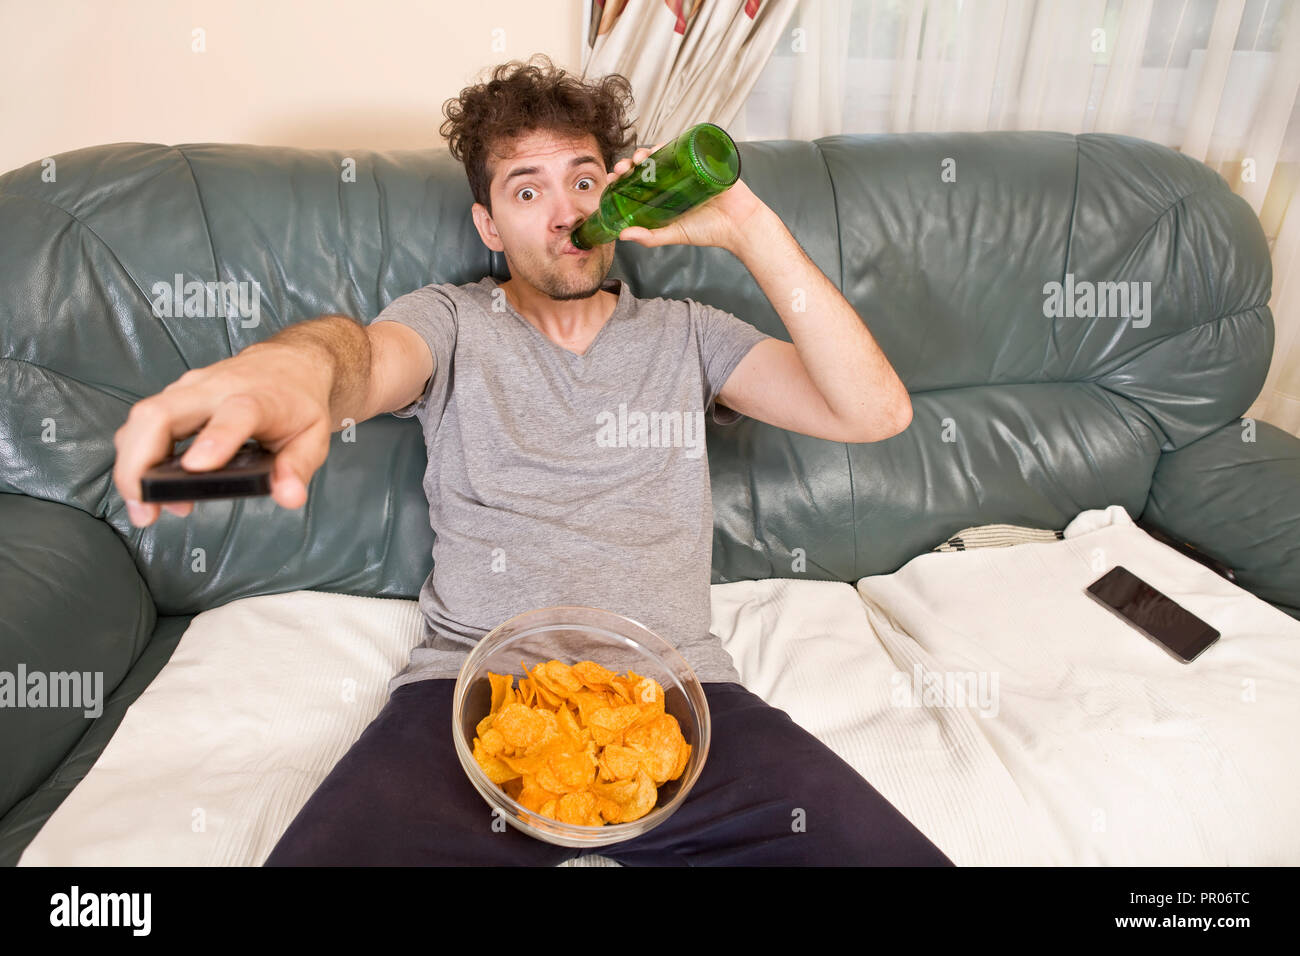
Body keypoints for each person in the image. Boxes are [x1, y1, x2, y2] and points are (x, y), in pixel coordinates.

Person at [113, 54, 949, 866]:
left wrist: (747, 227)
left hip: (682, 696)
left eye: (584, 181)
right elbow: (363, 358)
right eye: (527, 190)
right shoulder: (450, 320)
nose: (564, 214)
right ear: (488, 224)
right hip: (470, 695)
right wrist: (300, 367)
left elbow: (875, 412)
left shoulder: (690, 333)